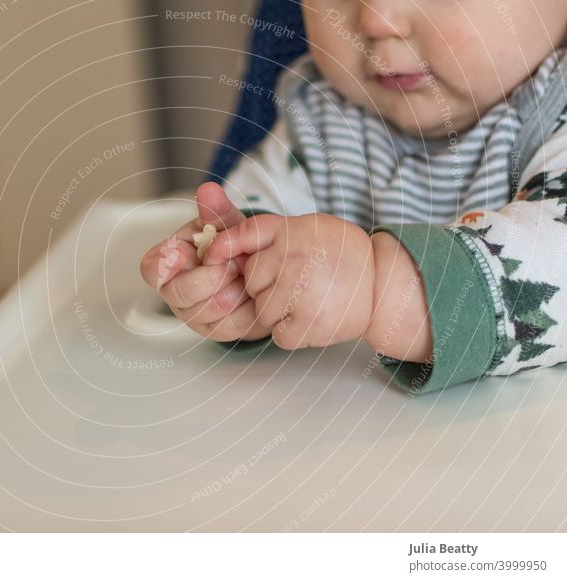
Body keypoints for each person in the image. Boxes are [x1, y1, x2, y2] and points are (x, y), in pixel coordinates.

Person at [140, 0, 567, 394]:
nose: (376, 21)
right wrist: (239, 274)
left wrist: (378, 286)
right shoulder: (324, 115)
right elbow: (268, 214)